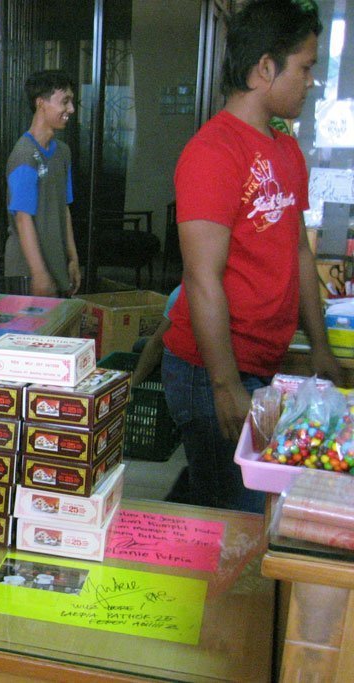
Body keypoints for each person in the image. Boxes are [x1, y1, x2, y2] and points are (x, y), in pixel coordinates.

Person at [161, 0, 341, 512]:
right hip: (210, 369)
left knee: (255, 510)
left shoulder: (285, 149)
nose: (311, 82)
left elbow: (299, 254)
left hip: (261, 366)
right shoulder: (214, 151)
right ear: (265, 68)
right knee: (236, 519)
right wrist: (225, 385)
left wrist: (320, 347)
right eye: (304, 67)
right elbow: (202, 276)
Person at [4, 69, 80, 297]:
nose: (71, 109)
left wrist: (73, 258)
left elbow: (64, 209)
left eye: (71, 102)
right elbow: (22, 217)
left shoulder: (63, 153)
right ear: (41, 103)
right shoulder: (24, 155)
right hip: (27, 272)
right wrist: (39, 274)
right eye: (64, 102)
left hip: (56, 265)